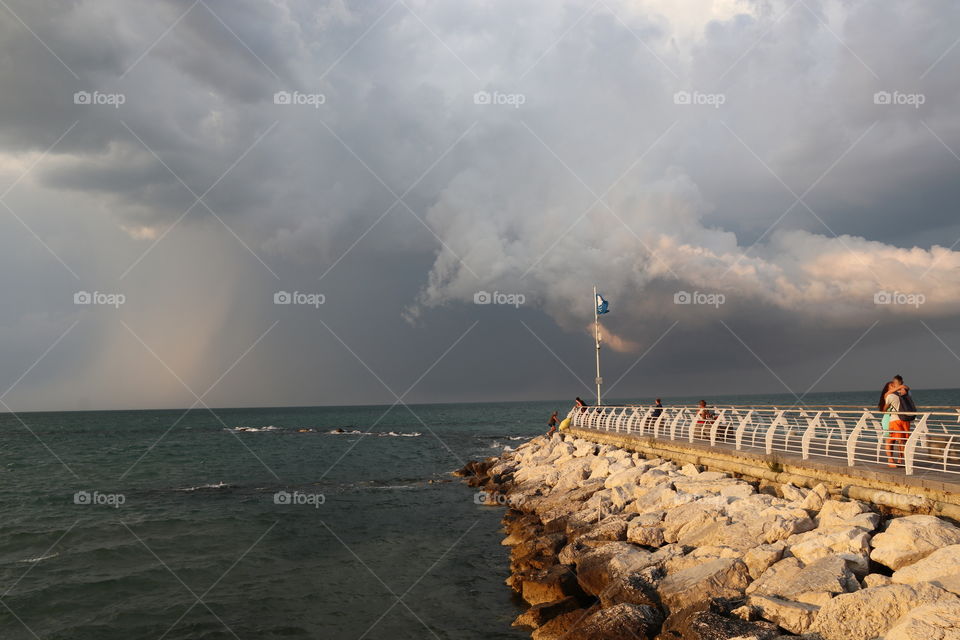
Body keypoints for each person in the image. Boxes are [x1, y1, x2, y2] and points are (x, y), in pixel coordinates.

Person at [883, 377, 913, 467]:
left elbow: (884, 409)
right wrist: (903, 387)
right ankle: (900, 460)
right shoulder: (905, 393)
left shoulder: (890, 395)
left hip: (894, 420)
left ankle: (891, 461)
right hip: (905, 419)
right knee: (902, 441)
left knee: (890, 440)